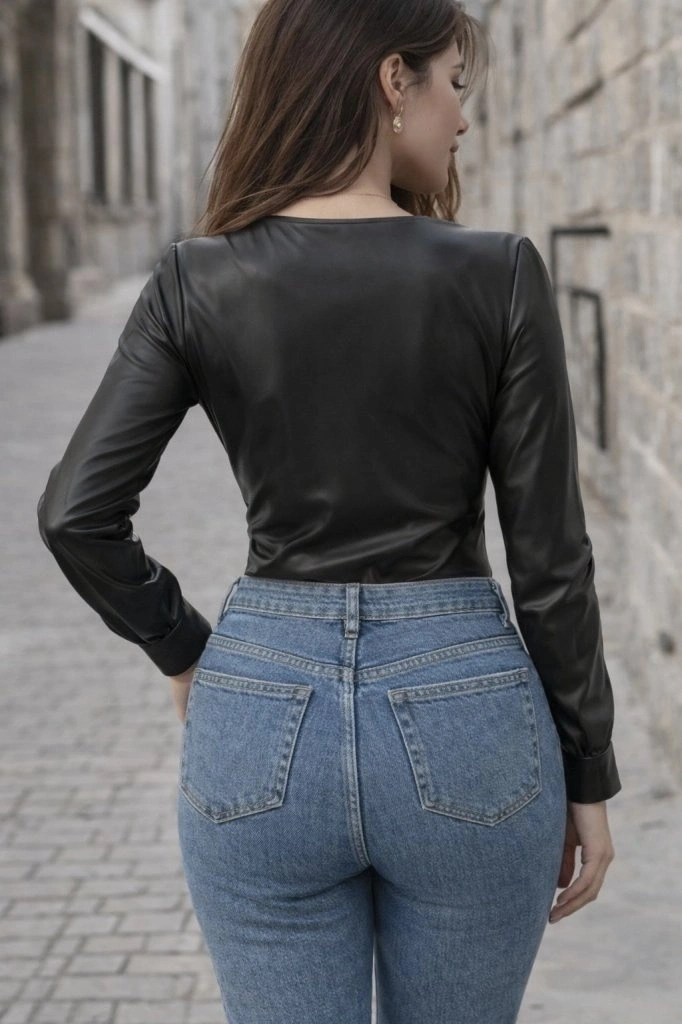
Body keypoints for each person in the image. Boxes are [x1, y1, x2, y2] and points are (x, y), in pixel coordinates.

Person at [36, 0, 621, 1021]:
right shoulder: (498, 273)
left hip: (261, 703)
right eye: (453, 84)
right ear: (393, 80)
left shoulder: (195, 277)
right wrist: (589, 767)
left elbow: (75, 514)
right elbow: (551, 561)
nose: (462, 117)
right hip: (466, 712)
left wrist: (183, 646)